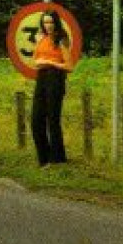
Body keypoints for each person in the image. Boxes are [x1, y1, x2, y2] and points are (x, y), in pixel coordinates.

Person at [30, 10, 74, 165]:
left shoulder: (61, 39)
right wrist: (41, 61)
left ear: (56, 23)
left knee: (53, 120)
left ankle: (58, 159)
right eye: (45, 22)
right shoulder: (40, 37)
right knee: (36, 119)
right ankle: (44, 157)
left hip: (55, 78)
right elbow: (35, 60)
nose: (48, 25)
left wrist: (50, 63)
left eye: (51, 22)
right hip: (41, 78)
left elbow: (69, 66)